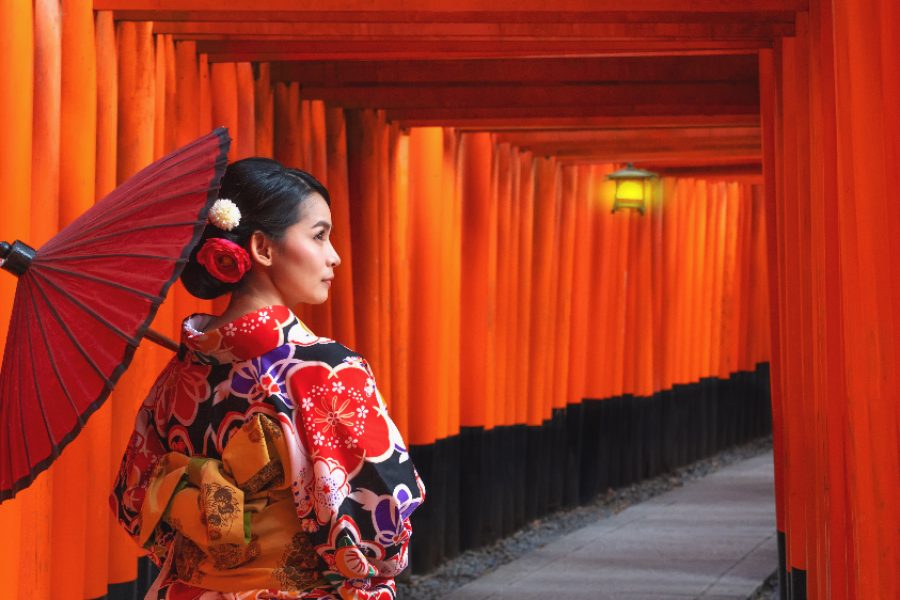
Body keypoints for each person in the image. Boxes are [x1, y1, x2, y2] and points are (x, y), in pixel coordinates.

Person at [111, 157, 424, 600]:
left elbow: (133, 504)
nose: (333, 256)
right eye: (319, 236)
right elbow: (382, 524)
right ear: (261, 247)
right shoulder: (325, 370)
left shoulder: (177, 375)